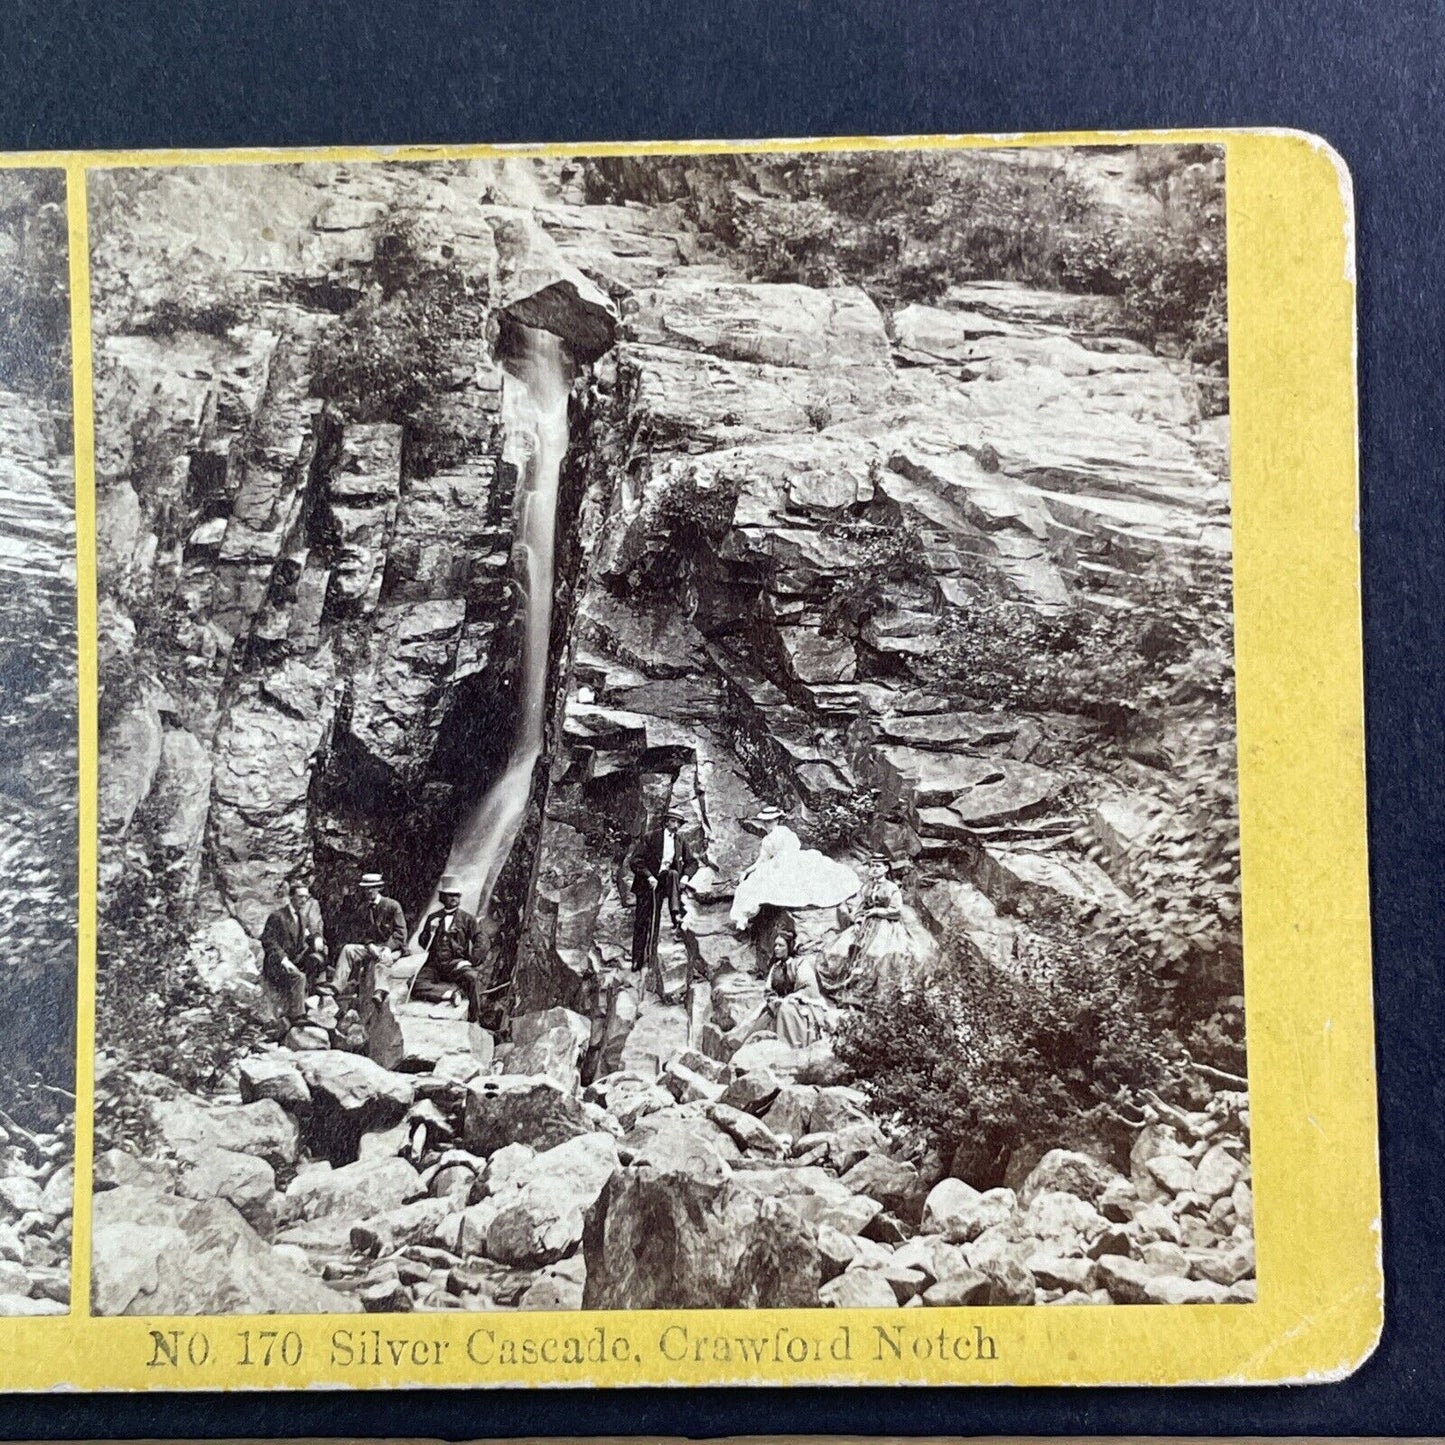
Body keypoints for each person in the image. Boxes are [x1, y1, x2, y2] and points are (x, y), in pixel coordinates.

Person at [728, 804, 860, 932]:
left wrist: (781, 863)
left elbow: (792, 849)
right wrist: (746, 871)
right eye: (765, 821)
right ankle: (744, 917)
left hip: (792, 861)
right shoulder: (767, 840)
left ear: (777, 820)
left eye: (771, 821)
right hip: (776, 864)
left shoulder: (784, 832)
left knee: (811, 879)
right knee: (749, 886)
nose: (767, 824)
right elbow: (761, 861)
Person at [820, 852, 914, 999]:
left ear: (886, 869)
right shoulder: (867, 887)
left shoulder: (891, 888)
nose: (874, 869)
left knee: (877, 955)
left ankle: (873, 992)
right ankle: (850, 984)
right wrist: (858, 921)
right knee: (842, 949)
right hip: (866, 923)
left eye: (878, 866)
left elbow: (896, 910)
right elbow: (860, 906)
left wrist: (876, 911)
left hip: (886, 925)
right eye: (872, 866)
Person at [627, 807, 697, 999]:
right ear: (667, 822)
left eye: (679, 823)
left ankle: (674, 910)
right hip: (647, 883)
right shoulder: (651, 837)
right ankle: (637, 959)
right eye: (674, 821)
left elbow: (693, 863)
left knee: (675, 873)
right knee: (642, 921)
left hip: (665, 881)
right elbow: (635, 861)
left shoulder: (680, 842)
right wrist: (648, 876)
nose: (677, 825)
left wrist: (686, 878)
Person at [411, 874, 490, 1022]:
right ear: (442, 897)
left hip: (455, 964)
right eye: (449, 895)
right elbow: (423, 943)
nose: (454, 898)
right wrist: (430, 931)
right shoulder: (433, 917)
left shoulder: (468, 919)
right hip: (434, 965)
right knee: (415, 983)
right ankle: (450, 994)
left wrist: (472, 961)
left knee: (472, 978)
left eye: (456, 895)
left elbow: (482, 940)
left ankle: (474, 1019)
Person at [331, 872, 407, 1005]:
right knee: (348, 949)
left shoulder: (392, 905)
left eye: (373, 887)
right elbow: (361, 933)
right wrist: (370, 945)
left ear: (379, 888)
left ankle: (380, 991)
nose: (369, 891)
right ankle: (337, 986)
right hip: (372, 948)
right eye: (366, 888)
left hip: (393, 948)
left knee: (383, 961)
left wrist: (388, 948)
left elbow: (400, 933)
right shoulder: (363, 909)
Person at [260, 878, 327, 1023]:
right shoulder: (278, 916)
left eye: (306, 897)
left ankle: (315, 990)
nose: (304, 900)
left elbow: (310, 933)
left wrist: (317, 938)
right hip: (276, 965)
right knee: (299, 977)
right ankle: (297, 1015)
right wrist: (283, 960)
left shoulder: (302, 918)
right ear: (291, 897)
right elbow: (268, 941)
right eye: (300, 897)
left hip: (294, 959)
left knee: (319, 954)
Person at [765, 933, 839, 1048]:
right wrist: (774, 999)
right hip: (778, 1003)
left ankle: (790, 1045)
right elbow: (768, 990)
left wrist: (793, 997)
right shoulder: (775, 967)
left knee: (786, 1010)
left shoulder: (799, 963)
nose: (776, 949)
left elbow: (809, 987)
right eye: (775, 945)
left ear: (789, 947)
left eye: (780, 945)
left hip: (800, 1003)